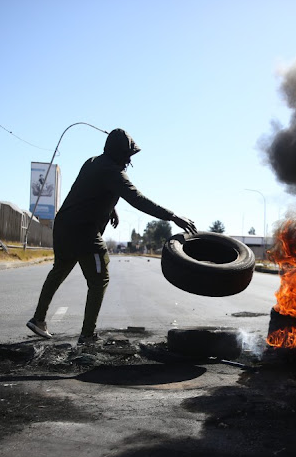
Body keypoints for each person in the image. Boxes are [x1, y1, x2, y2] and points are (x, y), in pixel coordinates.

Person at [26, 128, 197, 345]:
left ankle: (38, 319)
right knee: (99, 279)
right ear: (119, 154)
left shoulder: (92, 162)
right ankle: (87, 335)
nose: (128, 161)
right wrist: (172, 216)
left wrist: (110, 208)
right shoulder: (114, 173)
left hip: (63, 226)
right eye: (127, 156)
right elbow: (138, 199)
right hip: (85, 232)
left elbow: (87, 189)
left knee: (59, 270)